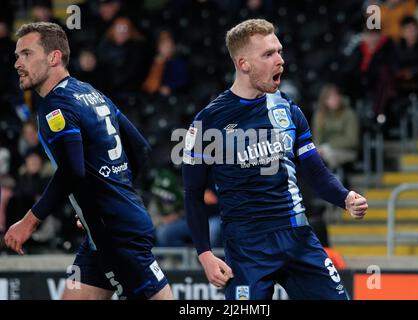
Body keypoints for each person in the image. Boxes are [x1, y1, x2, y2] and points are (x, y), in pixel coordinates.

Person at [182, 19, 368, 300]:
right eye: (268, 54)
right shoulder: (207, 122)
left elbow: (316, 173)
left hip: (297, 237)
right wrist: (205, 253)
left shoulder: (288, 110)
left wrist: (344, 197)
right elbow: (193, 193)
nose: (280, 60)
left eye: (279, 51)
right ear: (244, 64)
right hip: (247, 247)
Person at [3, 22, 172, 300]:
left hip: (115, 234)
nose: (17, 63)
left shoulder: (55, 105)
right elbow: (140, 148)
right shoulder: (90, 92)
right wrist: (102, 203)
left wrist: (29, 221)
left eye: (26, 54)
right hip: (105, 229)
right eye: (17, 56)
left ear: (53, 57)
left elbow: (72, 171)